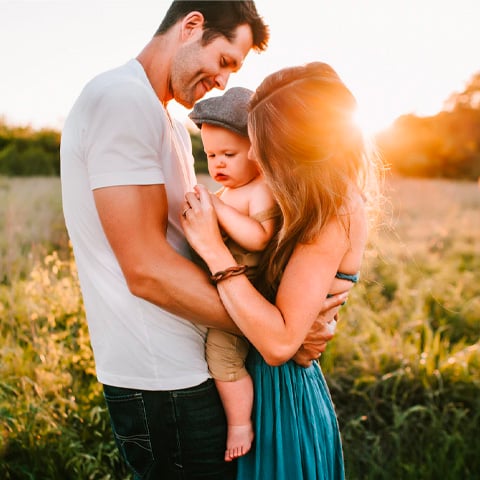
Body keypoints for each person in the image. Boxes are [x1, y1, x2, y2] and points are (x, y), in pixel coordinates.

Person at [60, 2, 344, 478]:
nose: (224, 81)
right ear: (192, 26)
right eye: (225, 62)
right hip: (165, 379)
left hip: (194, 366)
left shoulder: (167, 119)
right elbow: (147, 270)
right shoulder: (120, 99)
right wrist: (275, 334)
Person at [181, 62, 381, 480]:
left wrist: (214, 251)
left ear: (298, 146)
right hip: (263, 384)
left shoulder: (333, 211)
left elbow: (278, 343)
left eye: (261, 143)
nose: (252, 154)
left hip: (281, 399)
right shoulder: (303, 200)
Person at [188, 86, 279, 462]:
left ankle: (240, 422)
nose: (218, 164)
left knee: (221, 357)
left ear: (257, 153)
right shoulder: (230, 192)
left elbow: (259, 238)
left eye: (229, 154)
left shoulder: (261, 190)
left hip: (247, 296)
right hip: (223, 289)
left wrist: (217, 209)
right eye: (211, 155)